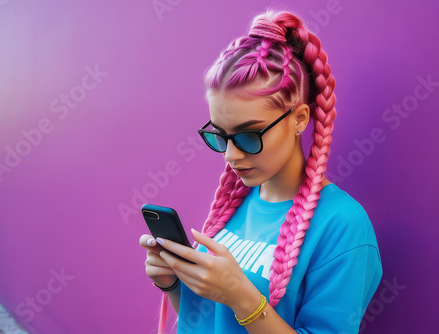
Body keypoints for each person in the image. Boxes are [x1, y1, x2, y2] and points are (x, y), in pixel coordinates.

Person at [139, 7, 383, 334]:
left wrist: (243, 298)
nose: (230, 154)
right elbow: (208, 322)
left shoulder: (343, 225)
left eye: (248, 136)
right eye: (220, 136)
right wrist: (172, 284)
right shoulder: (236, 203)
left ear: (298, 119)